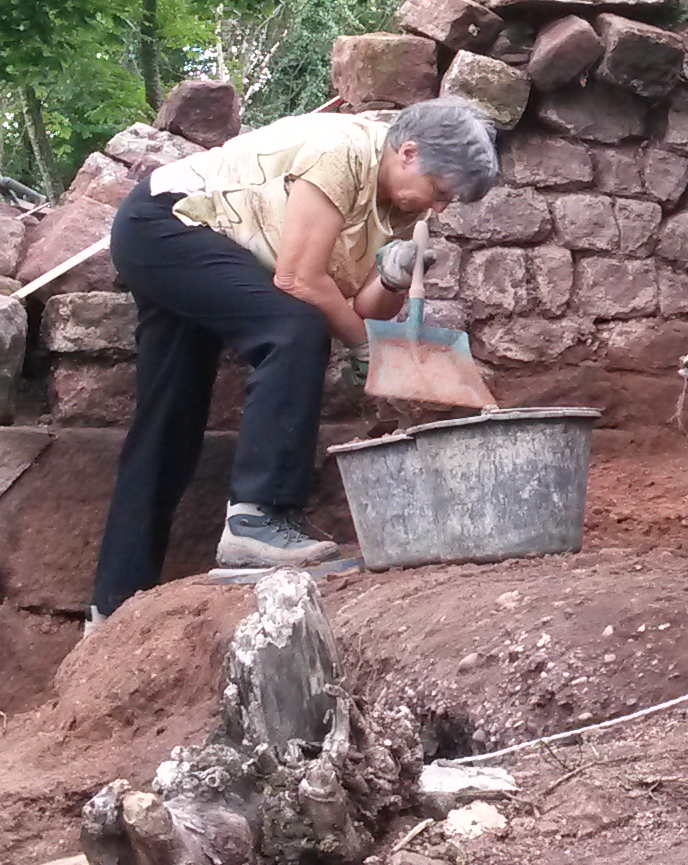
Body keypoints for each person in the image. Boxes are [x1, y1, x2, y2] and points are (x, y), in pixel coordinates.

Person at [91, 97, 505, 619]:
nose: (440, 209)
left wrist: (392, 278)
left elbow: (360, 309)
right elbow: (298, 280)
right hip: (165, 223)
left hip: (200, 244)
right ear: (409, 153)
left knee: (168, 420)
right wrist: (366, 345)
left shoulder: (404, 205)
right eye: (440, 192)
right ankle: (256, 519)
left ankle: (113, 606)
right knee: (294, 326)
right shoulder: (342, 150)